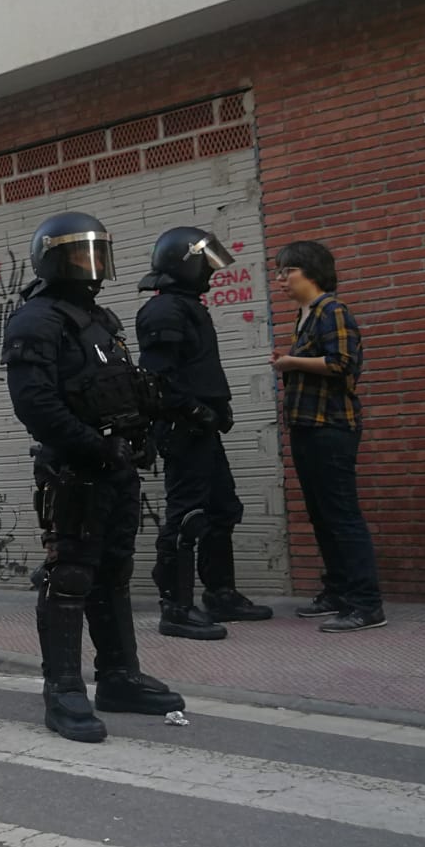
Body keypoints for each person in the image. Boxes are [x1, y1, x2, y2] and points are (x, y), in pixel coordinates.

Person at [1, 212, 187, 743]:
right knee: (71, 576)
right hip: (75, 470)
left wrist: (139, 438)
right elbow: (34, 403)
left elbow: (122, 386)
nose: (91, 265)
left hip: (117, 468)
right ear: (52, 260)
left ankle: (119, 677)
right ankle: (63, 689)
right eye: (79, 254)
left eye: (96, 252)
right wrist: (95, 447)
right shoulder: (35, 320)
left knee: (113, 574)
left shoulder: (102, 319)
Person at [136, 227, 271, 633]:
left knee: (220, 509)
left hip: (202, 427)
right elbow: (159, 379)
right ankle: (175, 607)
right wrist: (195, 409)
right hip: (184, 428)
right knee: (187, 516)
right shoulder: (164, 311)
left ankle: (220, 594)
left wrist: (216, 408)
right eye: (203, 263)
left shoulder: (186, 306)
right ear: (185, 264)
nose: (210, 272)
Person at [271, 240, 386, 632]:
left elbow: (344, 363)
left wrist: (290, 362)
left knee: (342, 516)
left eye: (289, 271)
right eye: (279, 272)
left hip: (332, 429)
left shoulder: (332, 310)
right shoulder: (303, 315)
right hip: (307, 428)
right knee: (322, 517)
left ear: (313, 273)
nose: (281, 279)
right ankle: (337, 592)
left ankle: (367, 604)